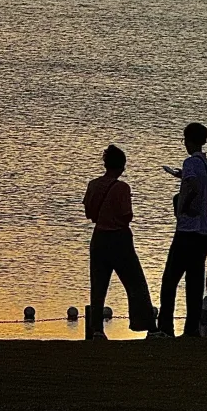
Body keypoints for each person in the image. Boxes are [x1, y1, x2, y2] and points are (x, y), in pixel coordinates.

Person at [83, 144, 160, 339]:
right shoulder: (123, 188)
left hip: (99, 237)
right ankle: (149, 327)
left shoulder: (93, 185)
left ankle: (97, 330)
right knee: (136, 284)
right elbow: (127, 216)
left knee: (98, 287)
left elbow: (89, 213)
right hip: (120, 239)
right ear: (122, 166)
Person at [157, 123, 207, 337]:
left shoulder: (190, 162)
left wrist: (183, 206)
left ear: (189, 140)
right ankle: (192, 328)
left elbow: (192, 184)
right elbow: (202, 184)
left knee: (170, 279)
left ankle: (166, 326)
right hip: (203, 231)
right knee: (194, 280)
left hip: (187, 230)